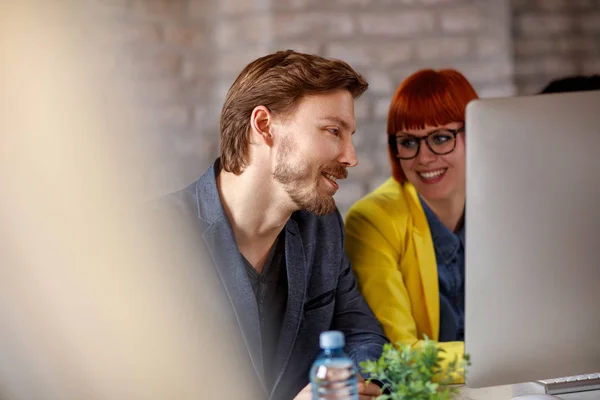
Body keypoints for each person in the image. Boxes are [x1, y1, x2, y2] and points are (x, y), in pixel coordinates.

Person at [159, 50, 388, 400]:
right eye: (333, 131)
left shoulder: (322, 228)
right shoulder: (152, 238)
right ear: (264, 126)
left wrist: (339, 388)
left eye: (349, 135)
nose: (351, 157)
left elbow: (363, 336)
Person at [344, 69, 479, 382]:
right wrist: (490, 359)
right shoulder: (374, 220)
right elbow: (398, 355)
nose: (424, 158)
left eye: (441, 138)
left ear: (476, 134)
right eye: (409, 142)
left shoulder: (503, 205)